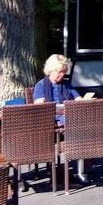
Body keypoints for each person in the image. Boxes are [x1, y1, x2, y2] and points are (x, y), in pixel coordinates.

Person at [33, 53, 88, 185]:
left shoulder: (66, 84)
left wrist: (84, 100)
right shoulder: (41, 85)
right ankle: (63, 172)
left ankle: (82, 169)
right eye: (60, 72)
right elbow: (39, 107)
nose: (62, 75)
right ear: (50, 70)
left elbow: (78, 99)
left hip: (69, 121)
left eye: (64, 72)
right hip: (51, 124)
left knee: (84, 126)